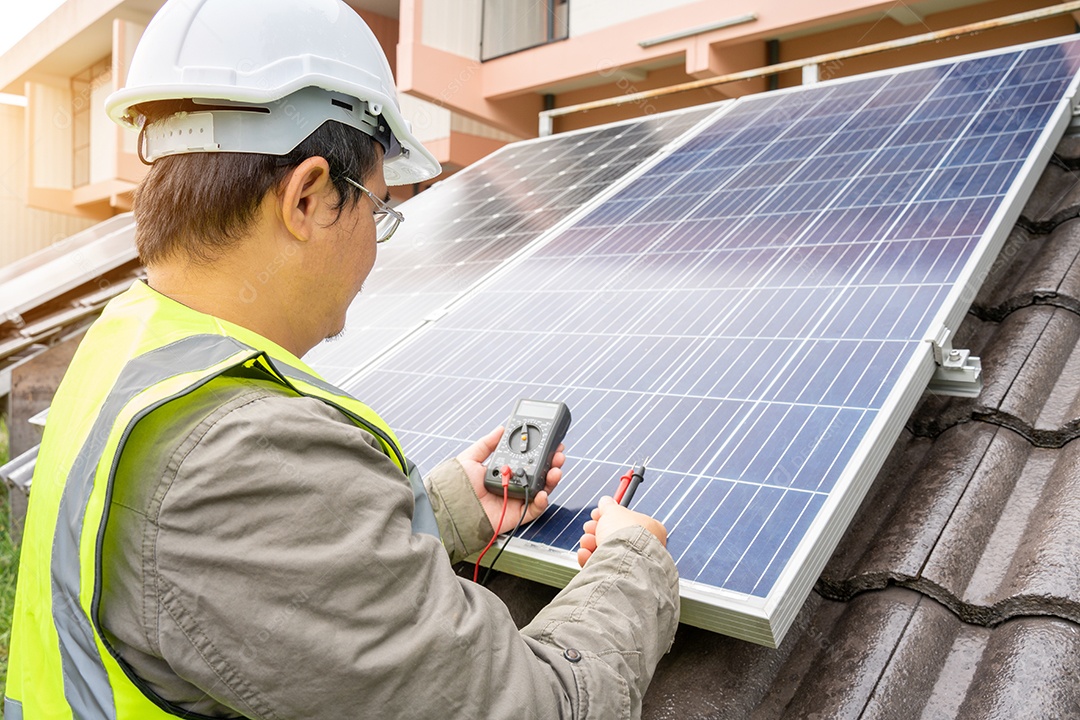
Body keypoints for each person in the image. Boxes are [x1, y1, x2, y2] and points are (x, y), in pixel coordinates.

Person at [4, 1, 679, 718]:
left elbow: (238, 586)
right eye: (378, 210)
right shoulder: (243, 456)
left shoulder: (130, 345)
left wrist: (444, 509)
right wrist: (632, 567)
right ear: (308, 196)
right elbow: (535, 707)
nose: (374, 249)